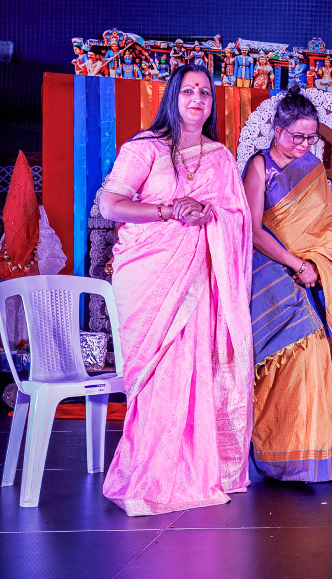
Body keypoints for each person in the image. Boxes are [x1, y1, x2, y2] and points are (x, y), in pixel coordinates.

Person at [97, 64, 254, 515]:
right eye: (188, 91)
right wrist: (170, 211)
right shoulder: (145, 147)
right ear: (172, 96)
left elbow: (239, 218)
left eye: (205, 92)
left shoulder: (220, 157)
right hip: (150, 275)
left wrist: (209, 214)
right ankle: (150, 476)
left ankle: (197, 471)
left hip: (199, 276)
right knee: (158, 375)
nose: (197, 98)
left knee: (195, 368)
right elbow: (110, 204)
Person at [242, 87, 332, 482]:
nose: (305, 145)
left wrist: (317, 265)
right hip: (268, 274)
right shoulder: (260, 166)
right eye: (297, 137)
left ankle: (307, 457)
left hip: (307, 277)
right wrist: (296, 263)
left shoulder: (312, 167)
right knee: (285, 356)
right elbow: (253, 230)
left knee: (314, 351)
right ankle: (275, 454)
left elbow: (327, 227)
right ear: (277, 130)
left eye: (311, 137)